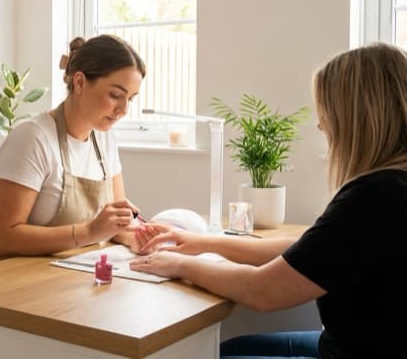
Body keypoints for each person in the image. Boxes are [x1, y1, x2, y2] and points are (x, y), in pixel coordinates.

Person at [130, 43, 407, 358]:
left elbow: (262, 291)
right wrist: (203, 243)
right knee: (229, 350)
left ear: (355, 115)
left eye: (326, 110)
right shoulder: (391, 186)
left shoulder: (374, 197)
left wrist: (180, 264)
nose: (320, 124)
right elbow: (306, 247)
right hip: (355, 343)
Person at [0, 34, 148, 263]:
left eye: (131, 98)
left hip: (68, 279)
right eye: (115, 95)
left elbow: (115, 226)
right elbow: (2, 238)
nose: (124, 109)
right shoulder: (33, 138)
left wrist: (140, 236)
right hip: (14, 284)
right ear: (79, 82)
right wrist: (89, 232)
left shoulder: (105, 140)